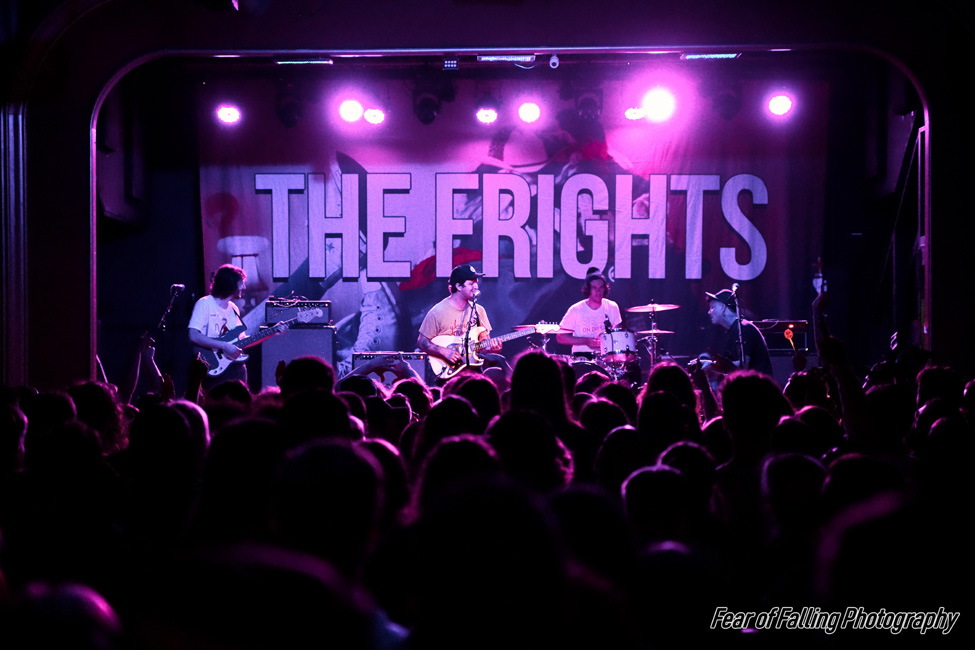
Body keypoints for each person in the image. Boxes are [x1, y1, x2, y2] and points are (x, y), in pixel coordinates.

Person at [417, 264, 502, 380]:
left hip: (474, 374)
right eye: (471, 283)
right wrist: (443, 351)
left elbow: (484, 343)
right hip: (448, 374)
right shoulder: (437, 312)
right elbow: (422, 342)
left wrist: (492, 348)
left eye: (476, 282)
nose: (476, 286)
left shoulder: (479, 310)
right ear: (459, 286)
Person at [188, 264, 249, 386]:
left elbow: (241, 339)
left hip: (234, 366)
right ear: (230, 284)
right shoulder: (205, 304)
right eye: (241, 283)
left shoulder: (233, 308)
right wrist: (224, 346)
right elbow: (193, 335)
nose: (244, 286)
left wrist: (271, 332)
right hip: (212, 364)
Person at [702, 288, 773, 377]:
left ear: (723, 308)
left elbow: (743, 365)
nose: (709, 312)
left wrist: (711, 365)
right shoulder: (735, 329)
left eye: (712, 307)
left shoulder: (744, 328)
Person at [557, 268, 623, 358]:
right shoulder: (576, 310)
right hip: (582, 357)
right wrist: (586, 341)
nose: (598, 292)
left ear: (605, 288)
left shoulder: (612, 307)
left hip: (606, 357)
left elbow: (617, 331)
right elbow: (560, 337)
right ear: (588, 289)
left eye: (601, 288)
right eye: (594, 288)